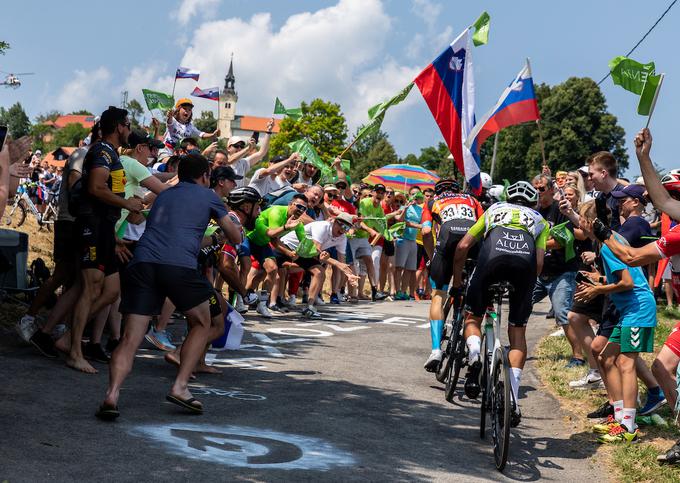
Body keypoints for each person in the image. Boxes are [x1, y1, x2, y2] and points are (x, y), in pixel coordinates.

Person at [96, 153, 241, 420]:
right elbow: (233, 235)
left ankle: (112, 394)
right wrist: (231, 230)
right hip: (179, 267)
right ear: (205, 176)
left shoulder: (164, 195)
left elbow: (173, 233)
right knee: (202, 322)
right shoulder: (209, 196)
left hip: (143, 264)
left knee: (130, 339)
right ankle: (180, 387)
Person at [453, 181, 549, 426]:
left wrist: (457, 279)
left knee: (473, 317)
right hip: (524, 268)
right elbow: (538, 264)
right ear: (532, 202)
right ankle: (513, 398)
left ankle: (474, 352)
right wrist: (524, 289)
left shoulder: (494, 210)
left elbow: (464, 245)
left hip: (490, 260)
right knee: (517, 333)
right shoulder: (540, 220)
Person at [68, 106, 143, 374]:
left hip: (105, 228)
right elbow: (95, 188)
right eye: (128, 125)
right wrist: (128, 204)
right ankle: (75, 351)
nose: (130, 131)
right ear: (119, 126)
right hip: (92, 226)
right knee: (91, 288)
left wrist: (114, 237)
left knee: (111, 291)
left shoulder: (111, 154)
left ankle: (68, 338)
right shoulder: (101, 151)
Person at [575, 201, 657, 444]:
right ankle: (619, 415)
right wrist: (597, 278)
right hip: (630, 311)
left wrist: (598, 290)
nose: (578, 222)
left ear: (589, 222)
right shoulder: (607, 244)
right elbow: (622, 277)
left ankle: (628, 426)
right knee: (605, 356)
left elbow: (628, 283)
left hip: (639, 309)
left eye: (580, 217)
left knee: (625, 363)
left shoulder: (609, 247)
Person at [422, 178, 484, 371]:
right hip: (473, 241)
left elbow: (425, 232)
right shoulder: (473, 200)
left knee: (438, 296)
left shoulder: (432, 201)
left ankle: (435, 351)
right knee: (476, 296)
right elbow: (486, 226)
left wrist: (432, 257)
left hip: (447, 239)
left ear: (438, 192)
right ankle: (474, 345)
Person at [530, 174, 579, 367]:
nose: (537, 192)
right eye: (535, 187)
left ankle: (578, 357)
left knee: (562, 314)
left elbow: (562, 241)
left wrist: (535, 245)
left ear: (551, 189)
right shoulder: (532, 211)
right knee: (522, 305)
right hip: (538, 272)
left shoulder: (560, 211)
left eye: (541, 188)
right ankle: (516, 347)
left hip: (562, 272)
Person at [277, 213, 359, 317]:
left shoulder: (342, 238)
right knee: (275, 268)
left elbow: (342, 261)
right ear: (334, 222)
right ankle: (271, 299)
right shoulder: (322, 227)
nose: (343, 230)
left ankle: (309, 307)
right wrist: (336, 263)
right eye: (342, 225)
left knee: (319, 272)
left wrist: (348, 275)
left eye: (347, 228)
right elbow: (316, 251)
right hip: (288, 246)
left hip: (304, 252)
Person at [245, 194, 308, 315]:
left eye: (304, 208)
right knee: (246, 266)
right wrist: (289, 252)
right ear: (290, 204)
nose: (301, 210)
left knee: (272, 270)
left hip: (263, 244)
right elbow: (273, 237)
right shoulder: (277, 212)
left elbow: (305, 243)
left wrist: (318, 255)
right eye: (299, 206)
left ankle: (261, 303)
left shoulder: (297, 222)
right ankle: (241, 299)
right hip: (251, 237)